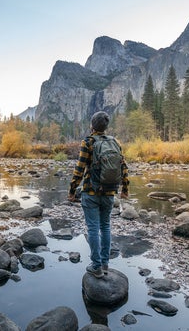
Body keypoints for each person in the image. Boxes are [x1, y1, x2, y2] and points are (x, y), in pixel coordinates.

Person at [67, 111, 130, 279]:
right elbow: (123, 166)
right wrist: (125, 189)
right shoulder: (114, 142)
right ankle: (105, 264)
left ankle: (96, 266)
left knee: (93, 228)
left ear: (92, 126)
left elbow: (79, 169)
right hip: (109, 192)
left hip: (91, 192)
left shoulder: (88, 142)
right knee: (106, 226)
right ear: (106, 126)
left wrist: (72, 191)